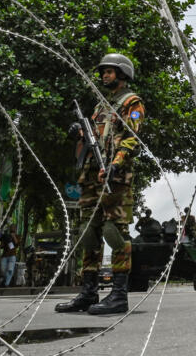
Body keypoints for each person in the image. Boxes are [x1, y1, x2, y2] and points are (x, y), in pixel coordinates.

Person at [56, 53, 144, 315]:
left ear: (123, 74)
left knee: (114, 232)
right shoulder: (100, 107)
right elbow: (95, 138)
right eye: (103, 72)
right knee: (89, 233)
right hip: (92, 176)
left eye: (110, 71)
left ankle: (118, 295)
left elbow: (131, 138)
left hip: (115, 177)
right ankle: (88, 292)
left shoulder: (132, 102)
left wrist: (116, 163)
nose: (104, 75)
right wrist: (81, 133)